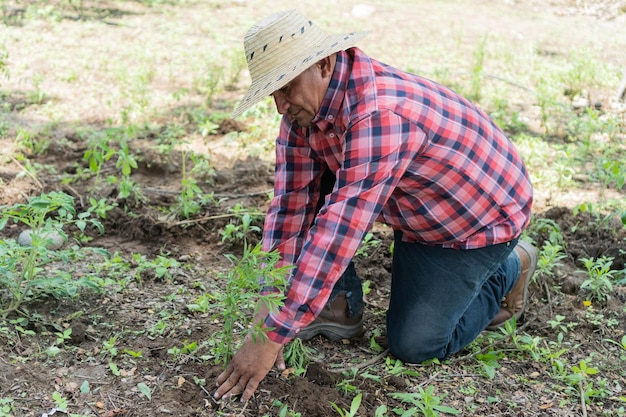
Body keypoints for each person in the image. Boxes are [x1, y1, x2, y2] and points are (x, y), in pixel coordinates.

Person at [214, 9, 537, 402]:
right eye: (273, 93)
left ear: (323, 63)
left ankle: (511, 266)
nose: (280, 106)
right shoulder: (304, 112)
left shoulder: (379, 114)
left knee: (414, 344)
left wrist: (266, 341)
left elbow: (338, 230)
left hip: (475, 221)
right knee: (315, 188)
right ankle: (335, 304)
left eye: (285, 87)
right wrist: (268, 315)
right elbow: (290, 208)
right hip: (415, 208)